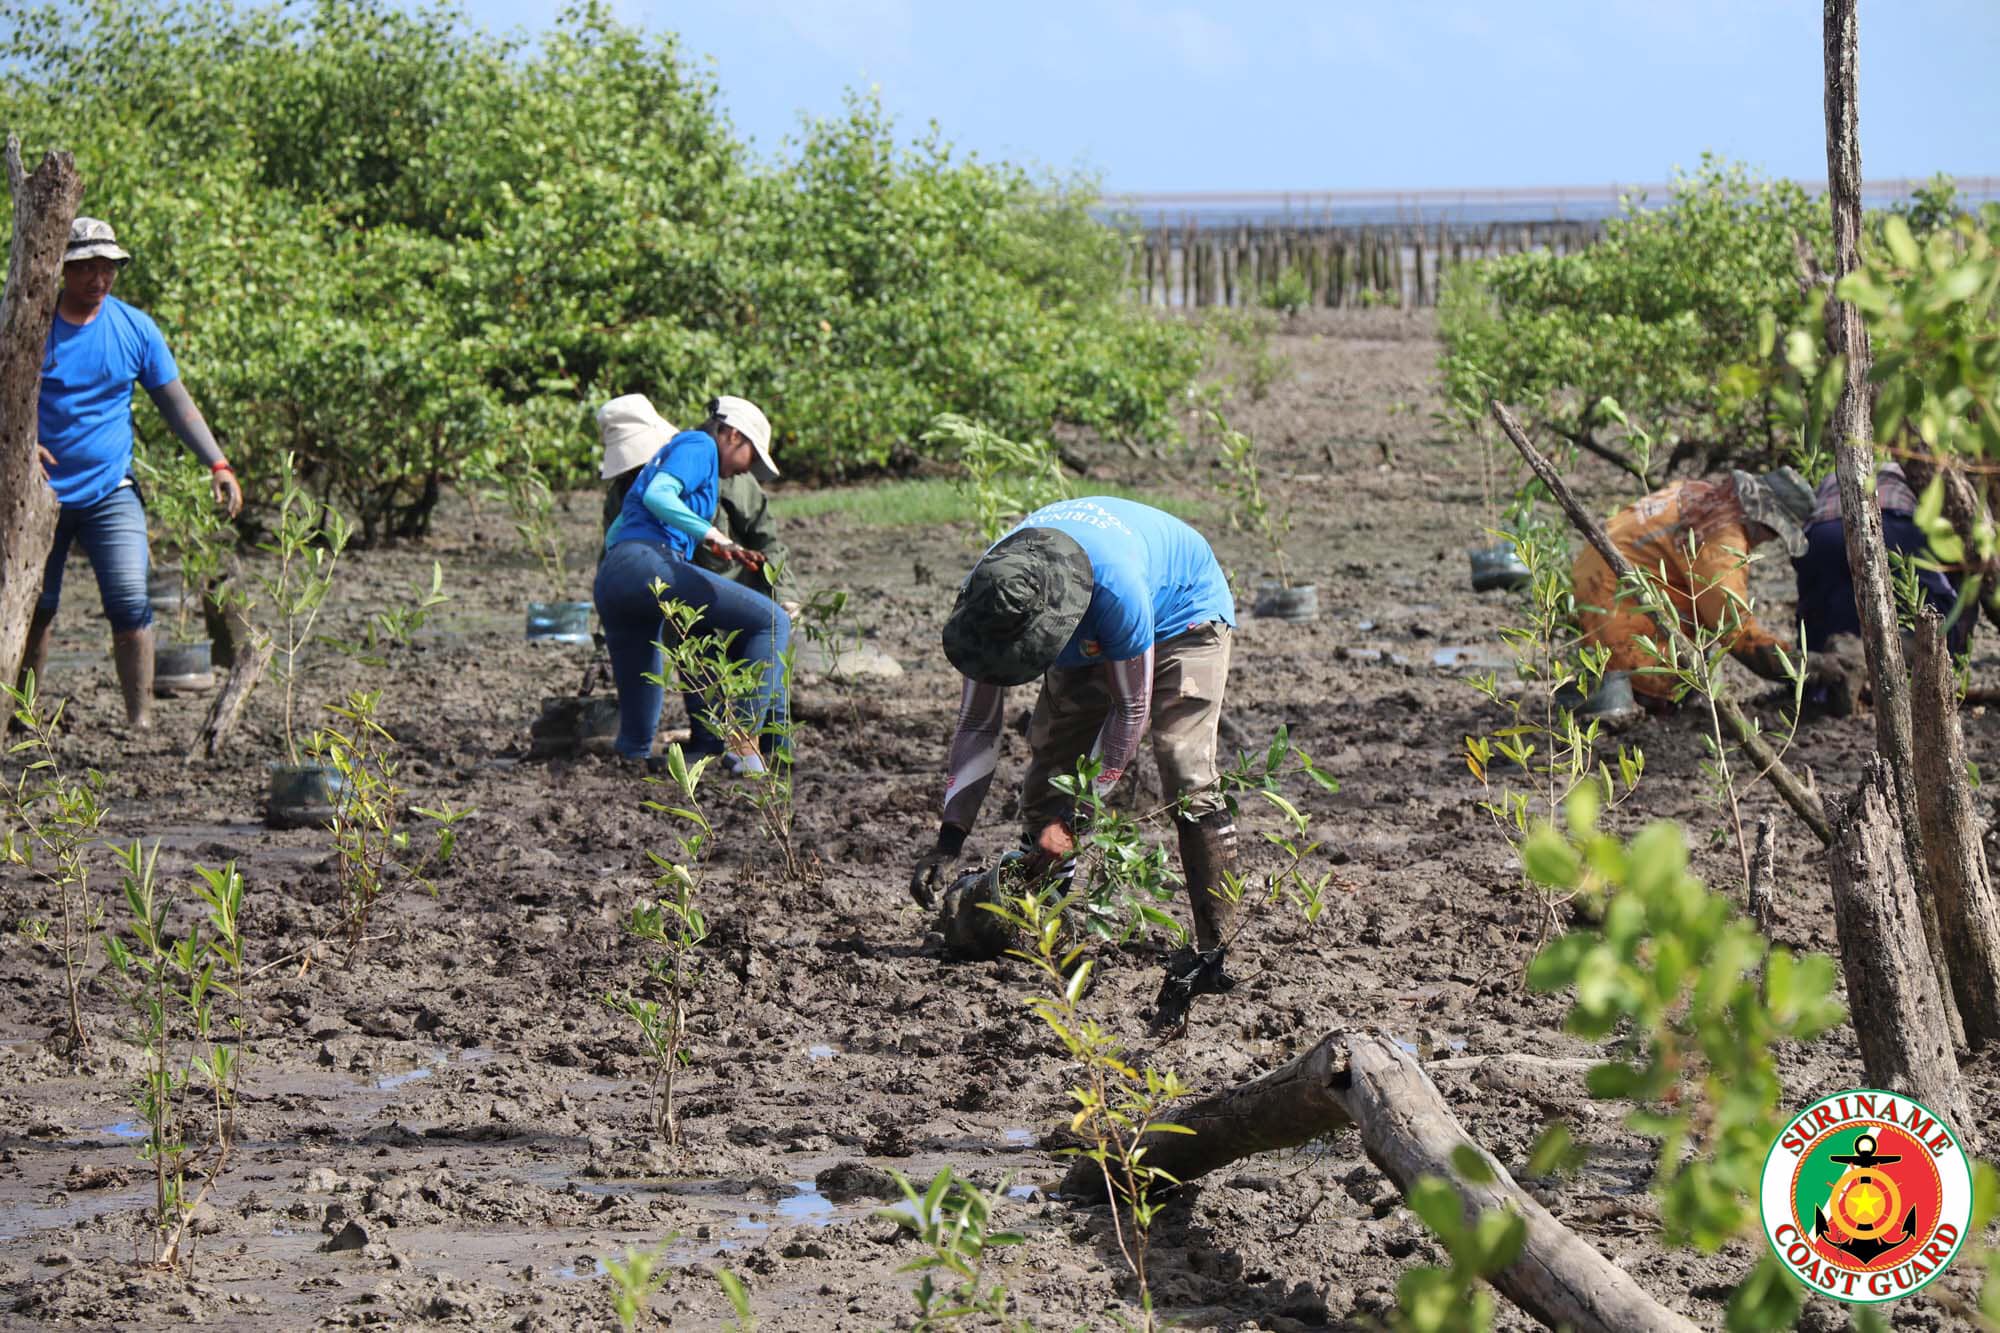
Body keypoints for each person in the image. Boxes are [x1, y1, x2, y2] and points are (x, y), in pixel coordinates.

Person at [910, 496, 1239, 963]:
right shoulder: (990, 597)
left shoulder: (1115, 591)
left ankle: (1215, 949)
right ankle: (1042, 929)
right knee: (1051, 772)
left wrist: (1074, 820)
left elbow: (1130, 710)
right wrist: (949, 840)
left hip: (1182, 613)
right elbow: (978, 723)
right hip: (1086, 624)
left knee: (1183, 767)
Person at [22, 217, 243, 728]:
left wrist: (218, 462)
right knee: (38, 607)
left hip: (109, 488)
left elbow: (175, 403)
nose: (99, 278)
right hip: (36, 494)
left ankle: (138, 721)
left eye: (108, 267)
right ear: (62, 268)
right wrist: (20, 446)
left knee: (129, 600)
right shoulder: (28, 325)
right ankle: (21, 714)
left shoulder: (134, 328)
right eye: (86, 267)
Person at [592, 394, 790, 772]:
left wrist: (625, 569)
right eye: (752, 456)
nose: (746, 471)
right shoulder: (700, 445)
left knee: (636, 735)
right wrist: (715, 536)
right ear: (732, 435)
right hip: (650, 564)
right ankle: (744, 746)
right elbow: (659, 495)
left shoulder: (660, 461)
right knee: (772, 620)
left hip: (616, 578)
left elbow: (619, 528)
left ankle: (634, 766)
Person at [1573, 467, 1838, 706]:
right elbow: (1736, 631)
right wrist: (1801, 666)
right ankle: (1626, 693)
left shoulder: (1698, 494)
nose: (1767, 542)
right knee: (1689, 674)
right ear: (1765, 521)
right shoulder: (1722, 540)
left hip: (1593, 578)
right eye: (1773, 534)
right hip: (1613, 604)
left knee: (1699, 640)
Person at [599, 396, 796, 608]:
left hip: (730, 613)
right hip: (670, 619)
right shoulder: (621, 498)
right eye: (633, 469)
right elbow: (612, 562)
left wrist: (784, 596)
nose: (641, 473)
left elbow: (767, 541)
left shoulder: (727, 479)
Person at [1794, 463, 1969, 654]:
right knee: (1937, 604)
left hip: (1823, 533)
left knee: (1822, 609)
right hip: (1892, 525)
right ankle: (1938, 660)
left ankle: (1817, 669)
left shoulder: (1834, 473)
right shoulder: (1917, 472)